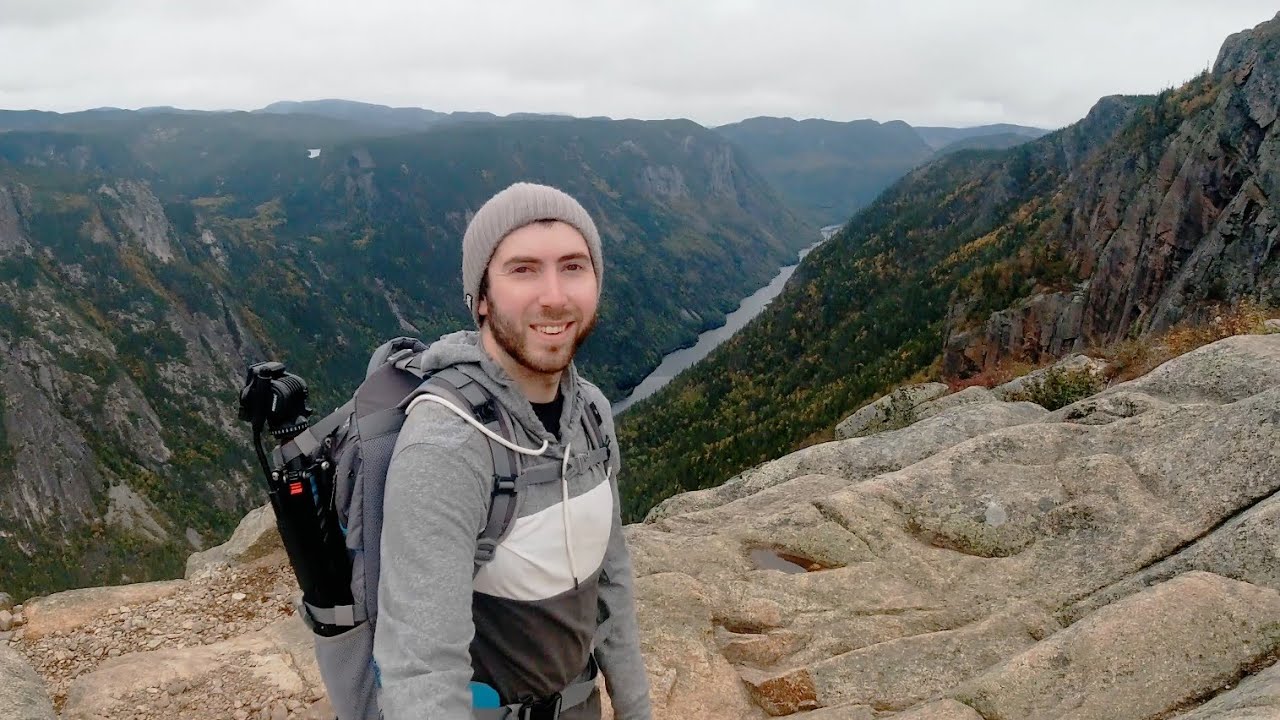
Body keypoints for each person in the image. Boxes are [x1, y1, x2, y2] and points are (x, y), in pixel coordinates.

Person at [373, 182, 653, 720]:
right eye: (523, 270)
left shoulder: (590, 413)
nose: (554, 295)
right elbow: (422, 668)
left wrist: (636, 709)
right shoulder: (448, 444)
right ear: (481, 297)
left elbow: (610, 581)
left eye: (573, 266)